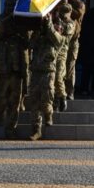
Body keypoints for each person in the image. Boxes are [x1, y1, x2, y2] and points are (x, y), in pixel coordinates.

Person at [0, 0, 32, 139]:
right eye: (9, 6)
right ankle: (1, 115)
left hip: (17, 67)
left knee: (15, 101)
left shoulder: (22, 24)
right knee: (0, 97)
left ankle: (10, 128)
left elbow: (28, 43)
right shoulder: (1, 21)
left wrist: (21, 27)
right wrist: (10, 20)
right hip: (3, 67)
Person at [27, 10, 65, 141]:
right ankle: (36, 130)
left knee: (47, 98)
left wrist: (49, 24)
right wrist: (38, 30)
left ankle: (49, 115)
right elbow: (30, 44)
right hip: (36, 71)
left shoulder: (58, 38)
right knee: (34, 101)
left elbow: (56, 38)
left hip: (48, 72)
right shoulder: (39, 34)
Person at [64, 0, 86, 98]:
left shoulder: (79, 4)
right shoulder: (64, 4)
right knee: (62, 65)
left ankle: (70, 91)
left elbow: (78, 14)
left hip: (73, 40)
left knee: (70, 66)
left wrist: (67, 7)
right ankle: (62, 91)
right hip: (63, 39)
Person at [52, 2, 75, 111]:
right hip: (53, 52)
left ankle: (63, 96)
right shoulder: (57, 20)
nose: (64, 16)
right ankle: (56, 100)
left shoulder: (71, 24)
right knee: (52, 78)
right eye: (62, 13)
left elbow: (64, 30)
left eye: (65, 13)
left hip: (62, 53)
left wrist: (58, 21)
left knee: (58, 76)